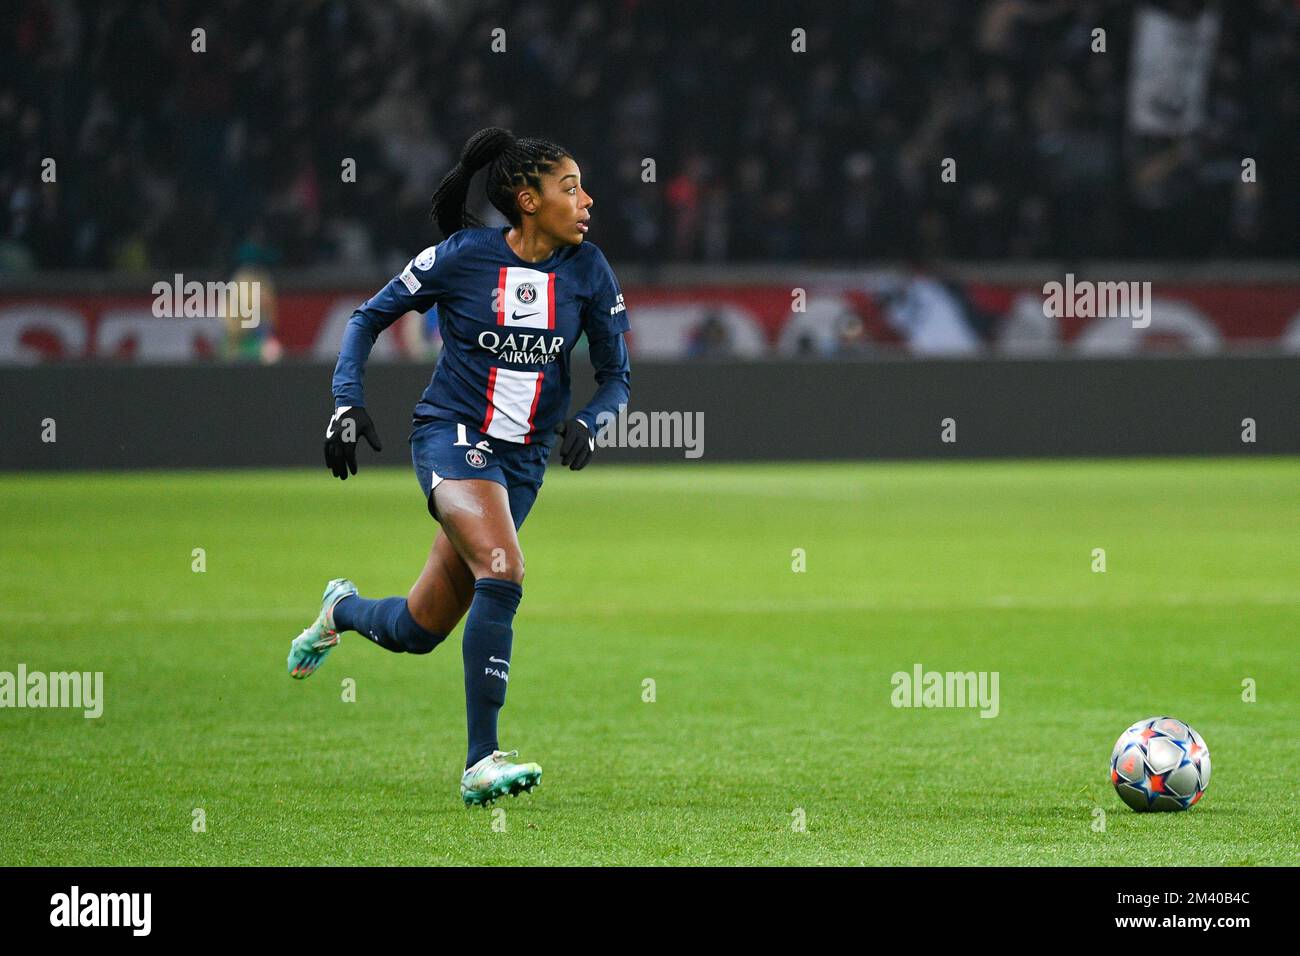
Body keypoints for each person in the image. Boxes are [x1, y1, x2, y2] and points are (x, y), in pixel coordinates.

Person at [285, 128, 631, 806]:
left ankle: (341, 610)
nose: (587, 200)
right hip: (452, 436)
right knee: (503, 569)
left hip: (523, 465)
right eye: (570, 187)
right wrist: (345, 404)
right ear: (527, 200)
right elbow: (366, 319)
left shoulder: (589, 270)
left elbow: (618, 377)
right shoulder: (461, 256)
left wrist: (594, 420)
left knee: (418, 630)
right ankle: (481, 761)